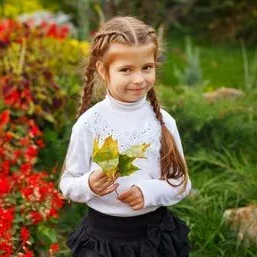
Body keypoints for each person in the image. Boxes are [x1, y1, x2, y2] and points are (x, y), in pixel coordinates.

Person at [59, 16, 192, 257]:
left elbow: (181, 183)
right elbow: (68, 184)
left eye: (147, 67)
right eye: (126, 70)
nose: (139, 79)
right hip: (103, 240)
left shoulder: (162, 122)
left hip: (153, 237)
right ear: (103, 69)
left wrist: (149, 192)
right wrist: (88, 184)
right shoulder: (90, 124)